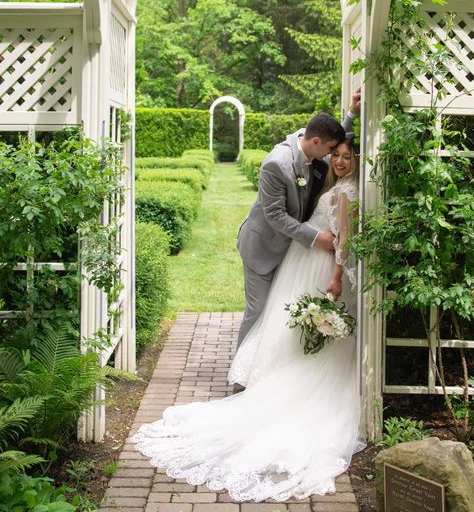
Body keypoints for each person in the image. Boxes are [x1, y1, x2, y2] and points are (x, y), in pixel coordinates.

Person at [132, 135, 364, 500]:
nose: (337, 160)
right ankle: (251, 379)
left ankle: (265, 380)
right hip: (293, 255)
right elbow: (276, 214)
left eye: (346, 156)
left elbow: (345, 239)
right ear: (323, 147)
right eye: (334, 154)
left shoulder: (346, 189)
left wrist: (336, 276)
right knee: (269, 315)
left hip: (321, 267)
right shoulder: (285, 164)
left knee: (288, 320)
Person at [235, 93, 360, 355]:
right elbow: (275, 216)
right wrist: (316, 238)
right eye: (329, 151)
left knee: (278, 309)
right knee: (258, 310)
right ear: (316, 143)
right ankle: (241, 373)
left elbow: (337, 145)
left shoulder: (313, 148)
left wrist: (350, 115)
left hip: (292, 248)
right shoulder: (276, 164)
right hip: (263, 246)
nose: (332, 158)